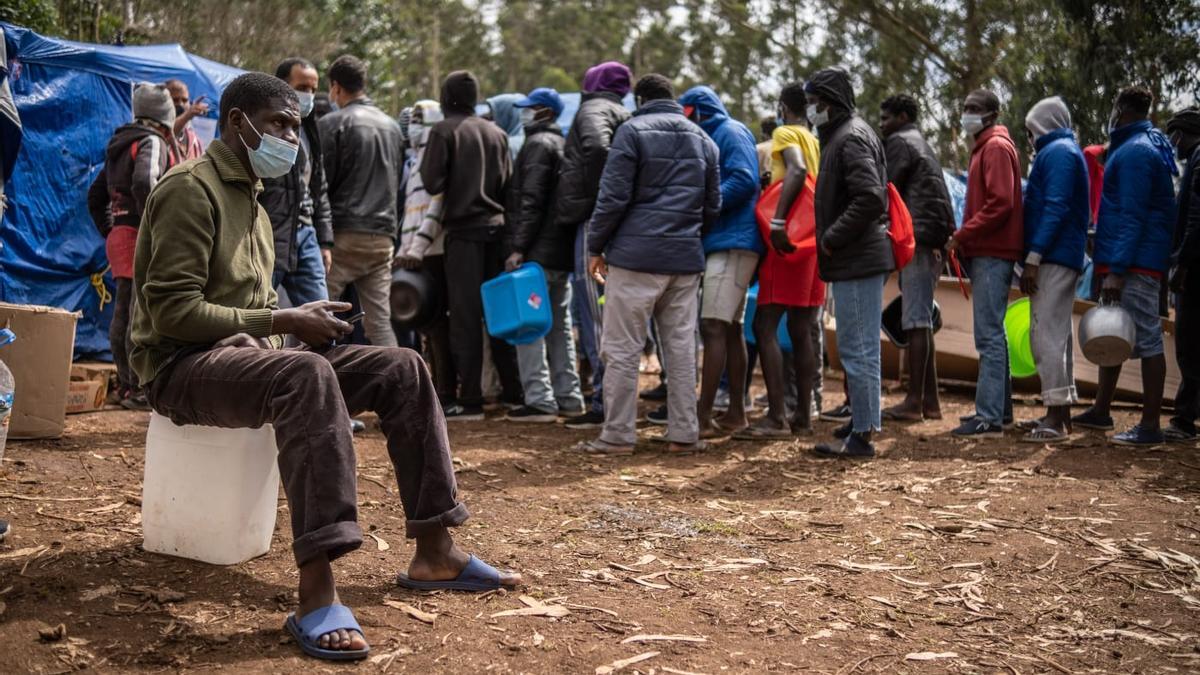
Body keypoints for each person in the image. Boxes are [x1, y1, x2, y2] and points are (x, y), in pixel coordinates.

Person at [129, 73, 520, 661]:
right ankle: (316, 591)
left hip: (242, 358)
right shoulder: (192, 190)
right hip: (178, 367)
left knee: (403, 367)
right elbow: (173, 312)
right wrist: (285, 322)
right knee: (305, 374)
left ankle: (435, 551)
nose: (292, 137)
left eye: (294, 124)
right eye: (280, 124)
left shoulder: (254, 201)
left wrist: (281, 324)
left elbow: (249, 311)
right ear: (238, 123)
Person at [578, 74, 720, 455]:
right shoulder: (703, 139)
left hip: (634, 258)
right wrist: (688, 235)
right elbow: (712, 205)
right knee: (681, 347)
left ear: (639, 99)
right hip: (685, 260)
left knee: (622, 348)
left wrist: (596, 245)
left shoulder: (632, 132)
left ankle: (618, 435)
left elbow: (613, 197)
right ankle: (684, 434)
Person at [1072, 86, 1178, 445]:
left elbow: (1132, 216)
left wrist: (1116, 269)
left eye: (1114, 108)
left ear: (1121, 110)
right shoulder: (1143, 146)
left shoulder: (1135, 152)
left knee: (1147, 337)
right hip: (1131, 258)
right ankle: (1101, 410)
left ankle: (1150, 426)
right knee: (1112, 332)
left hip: (1136, 263)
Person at [419, 70, 523, 419]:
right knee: (499, 313)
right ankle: (513, 393)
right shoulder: (497, 132)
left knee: (464, 316)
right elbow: (509, 189)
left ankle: (472, 400)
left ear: (446, 98)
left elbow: (432, 181)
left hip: (463, 235)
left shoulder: (443, 131)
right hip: (497, 231)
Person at [804, 67, 894, 459]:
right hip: (856, 256)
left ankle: (862, 436)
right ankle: (863, 419)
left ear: (830, 102)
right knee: (859, 347)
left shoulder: (850, 137)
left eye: (815, 102)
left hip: (857, 256)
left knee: (858, 350)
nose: (811, 109)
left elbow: (870, 198)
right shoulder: (846, 133)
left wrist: (831, 236)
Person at [736, 82, 825, 440]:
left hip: (786, 237)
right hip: (811, 242)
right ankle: (803, 417)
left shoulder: (787, 132)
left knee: (764, 325)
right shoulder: (817, 140)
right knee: (802, 329)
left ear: (782, 107)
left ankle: (775, 417)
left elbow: (798, 170)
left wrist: (776, 221)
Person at [676, 86, 760, 439]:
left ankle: (703, 415)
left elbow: (744, 178)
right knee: (728, 328)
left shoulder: (730, 131)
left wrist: (705, 204)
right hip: (726, 241)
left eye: (686, 112)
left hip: (733, 241)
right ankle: (735, 414)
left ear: (698, 110)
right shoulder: (713, 134)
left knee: (712, 326)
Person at [87, 83, 176, 411]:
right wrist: (156, 225)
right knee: (141, 315)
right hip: (142, 235)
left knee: (124, 310)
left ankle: (126, 386)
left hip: (121, 235)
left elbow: (95, 196)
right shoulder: (151, 141)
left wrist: (110, 230)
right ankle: (139, 387)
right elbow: (145, 182)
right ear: (164, 116)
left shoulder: (118, 145)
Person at [557, 61, 633, 431]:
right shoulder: (622, 110)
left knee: (595, 315)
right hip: (612, 221)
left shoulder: (593, 109)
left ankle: (604, 402)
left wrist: (604, 197)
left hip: (594, 221)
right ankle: (611, 398)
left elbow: (597, 149)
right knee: (610, 314)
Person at [503, 87, 584, 422]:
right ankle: (569, 396)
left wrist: (518, 248)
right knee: (559, 326)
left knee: (530, 326)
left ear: (545, 112)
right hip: (560, 253)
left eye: (531, 108)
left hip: (537, 253)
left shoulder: (537, 145)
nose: (525, 114)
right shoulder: (564, 145)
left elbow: (531, 201)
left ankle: (539, 399)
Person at [946, 89, 1023, 437]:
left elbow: (1000, 202)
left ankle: (989, 417)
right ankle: (1000, 411)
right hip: (990, 250)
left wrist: (963, 235)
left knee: (988, 336)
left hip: (993, 250)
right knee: (996, 333)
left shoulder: (993, 147)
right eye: (965, 107)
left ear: (991, 115)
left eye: (975, 109)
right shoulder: (987, 147)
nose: (968, 114)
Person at [1016, 96, 1089, 442]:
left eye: (1031, 130)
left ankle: (1055, 418)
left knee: (1045, 334)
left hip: (1054, 256)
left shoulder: (1058, 152)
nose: (1029, 138)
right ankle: (1058, 412)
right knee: (1055, 334)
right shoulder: (1063, 151)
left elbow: (1056, 206)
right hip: (1060, 253)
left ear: (1043, 125)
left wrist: (1034, 256)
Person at [879, 94, 955, 422]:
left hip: (918, 238)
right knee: (920, 317)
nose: (882, 124)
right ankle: (931, 402)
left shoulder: (900, 143)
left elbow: (884, 189)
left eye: (886, 117)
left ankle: (913, 402)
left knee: (916, 320)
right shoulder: (921, 143)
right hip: (932, 237)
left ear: (904, 116)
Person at [319, 55, 405, 348]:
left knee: (315, 315)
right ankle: (397, 386)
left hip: (342, 235)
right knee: (379, 322)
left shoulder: (332, 124)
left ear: (336, 87)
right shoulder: (393, 127)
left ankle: (300, 380)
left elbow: (321, 184)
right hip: (383, 237)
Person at [394, 100, 456, 404]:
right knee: (426, 326)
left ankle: (445, 390)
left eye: (420, 118)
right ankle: (436, 386)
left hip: (432, 251)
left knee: (437, 324)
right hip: (414, 253)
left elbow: (436, 206)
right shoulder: (416, 158)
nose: (414, 124)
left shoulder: (435, 156)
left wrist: (417, 247)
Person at [260, 57, 333, 306]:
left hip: (305, 234)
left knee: (323, 317)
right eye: (302, 88)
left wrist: (324, 240)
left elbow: (318, 187)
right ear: (281, 86)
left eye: (313, 89)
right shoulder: (261, 126)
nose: (309, 96)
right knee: (257, 313)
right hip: (269, 234)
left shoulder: (311, 129)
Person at [1166, 107, 1200, 442]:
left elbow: (1195, 218)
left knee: (1189, 344)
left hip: (1194, 272)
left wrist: (1182, 265)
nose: (1173, 143)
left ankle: (1185, 420)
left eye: (1173, 134)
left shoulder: (1199, 159)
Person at [165, 78, 206, 162]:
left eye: (184, 100)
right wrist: (187, 115)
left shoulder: (194, 141)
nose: (181, 104)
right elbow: (166, 135)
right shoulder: (156, 131)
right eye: (175, 100)